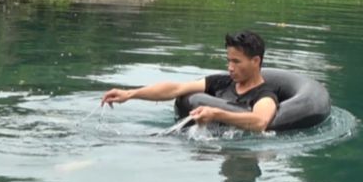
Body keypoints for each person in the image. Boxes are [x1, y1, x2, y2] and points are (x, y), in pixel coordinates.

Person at [100, 30, 278, 132]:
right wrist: (130, 94)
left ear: (255, 61)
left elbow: (259, 122)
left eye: (236, 62)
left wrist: (216, 114)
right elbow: (176, 88)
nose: (230, 67)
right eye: (228, 60)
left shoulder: (264, 95)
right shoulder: (222, 82)